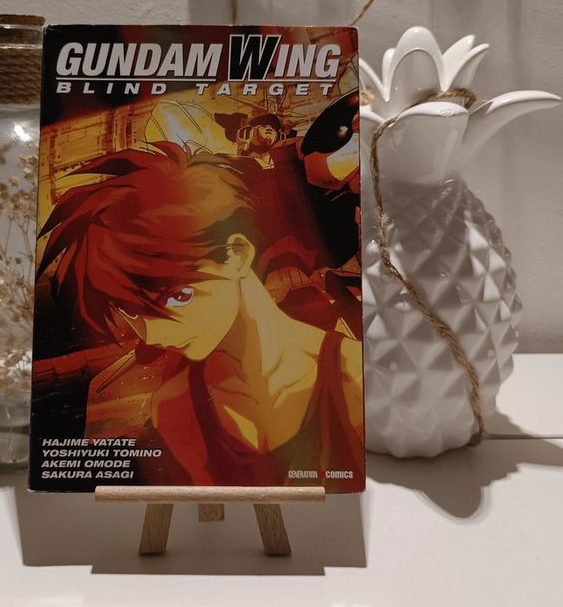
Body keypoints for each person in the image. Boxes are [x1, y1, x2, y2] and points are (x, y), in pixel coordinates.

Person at [37, 141, 363, 488]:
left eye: (177, 297)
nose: (153, 334)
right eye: (131, 312)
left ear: (237, 254)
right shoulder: (174, 408)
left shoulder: (354, 378)